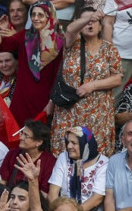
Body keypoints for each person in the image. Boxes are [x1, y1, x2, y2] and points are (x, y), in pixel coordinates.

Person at [51, 8, 122, 156]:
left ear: (101, 26)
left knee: (94, 154)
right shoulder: (72, 44)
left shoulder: (109, 49)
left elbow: (117, 78)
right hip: (70, 110)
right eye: (86, 21)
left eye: (94, 21)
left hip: (98, 112)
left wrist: (92, 85)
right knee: (67, 153)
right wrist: (90, 17)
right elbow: (70, 29)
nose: (90, 24)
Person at [0, 0, 66, 123]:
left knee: (39, 132)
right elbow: (3, 45)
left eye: (40, 15)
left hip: (45, 100)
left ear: (49, 16)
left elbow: (58, 76)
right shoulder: (24, 36)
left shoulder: (59, 42)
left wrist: (52, 102)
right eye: (33, 14)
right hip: (22, 99)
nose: (36, 18)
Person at [48, 126, 109, 211]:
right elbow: (53, 192)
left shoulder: (103, 163)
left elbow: (97, 199)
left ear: (86, 144)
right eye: (68, 142)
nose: (69, 146)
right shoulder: (64, 157)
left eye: (74, 143)